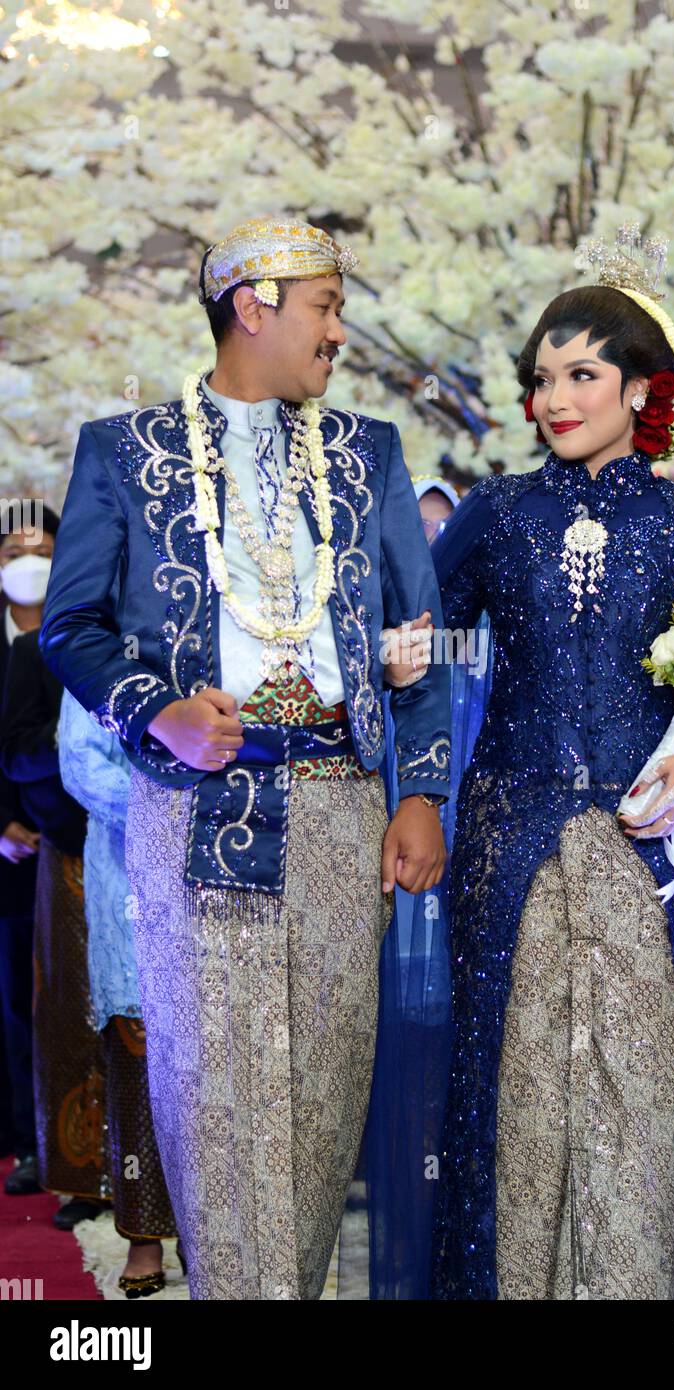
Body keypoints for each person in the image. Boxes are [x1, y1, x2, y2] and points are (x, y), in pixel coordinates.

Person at [39, 216, 450, 1300]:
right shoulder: (122, 451)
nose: (339, 332)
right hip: (194, 803)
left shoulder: (369, 452)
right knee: (210, 1088)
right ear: (253, 305)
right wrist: (153, 711)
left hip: (341, 803)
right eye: (325, 306)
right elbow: (69, 624)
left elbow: (422, 634)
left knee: (320, 1091)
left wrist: (421, 792)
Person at [409, 225, 674, 1300]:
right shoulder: (492, 513)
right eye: (541, 378)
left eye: (580, 373)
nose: (553, 398)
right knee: (520, 1093)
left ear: (638, 388)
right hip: (509, 840)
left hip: (655, 848)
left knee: (643, 1086)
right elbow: (421, 649)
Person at [58, 689, 180, 1297]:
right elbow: (80, 764)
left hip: (226, 869)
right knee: (139, 1064)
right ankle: (143, 1236)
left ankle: (224, 1230)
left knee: (219, 1063)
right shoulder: (100, 649)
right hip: (128, 871)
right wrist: (170, 809)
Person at [0, 627, 110, 1227]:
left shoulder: (155, 634)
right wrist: (77, 726)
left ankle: (157, 1182)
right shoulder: (37, 649)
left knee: (153, 1018)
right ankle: (81, 1177)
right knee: (68, 1010)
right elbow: (14, 754)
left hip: (152, 849)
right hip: (67, 848)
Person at [0, 502, 58, 1197]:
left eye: (41, 546)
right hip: (10, 859)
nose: (27, 561)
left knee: (82, 999)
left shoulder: (92, 631)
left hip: (79, 841)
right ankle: (30, 1140)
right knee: (20, 1004)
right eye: (14, 551)